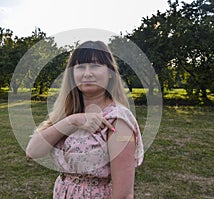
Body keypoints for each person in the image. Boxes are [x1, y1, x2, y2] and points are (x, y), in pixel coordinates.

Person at [26, 40, 144, 198]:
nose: (87, 73)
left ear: (110, 72)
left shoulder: (117, 119)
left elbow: (123, 194)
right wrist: (73, 121)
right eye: (80, 67)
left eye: (95, 66)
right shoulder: (68, 113)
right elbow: (32, 151)